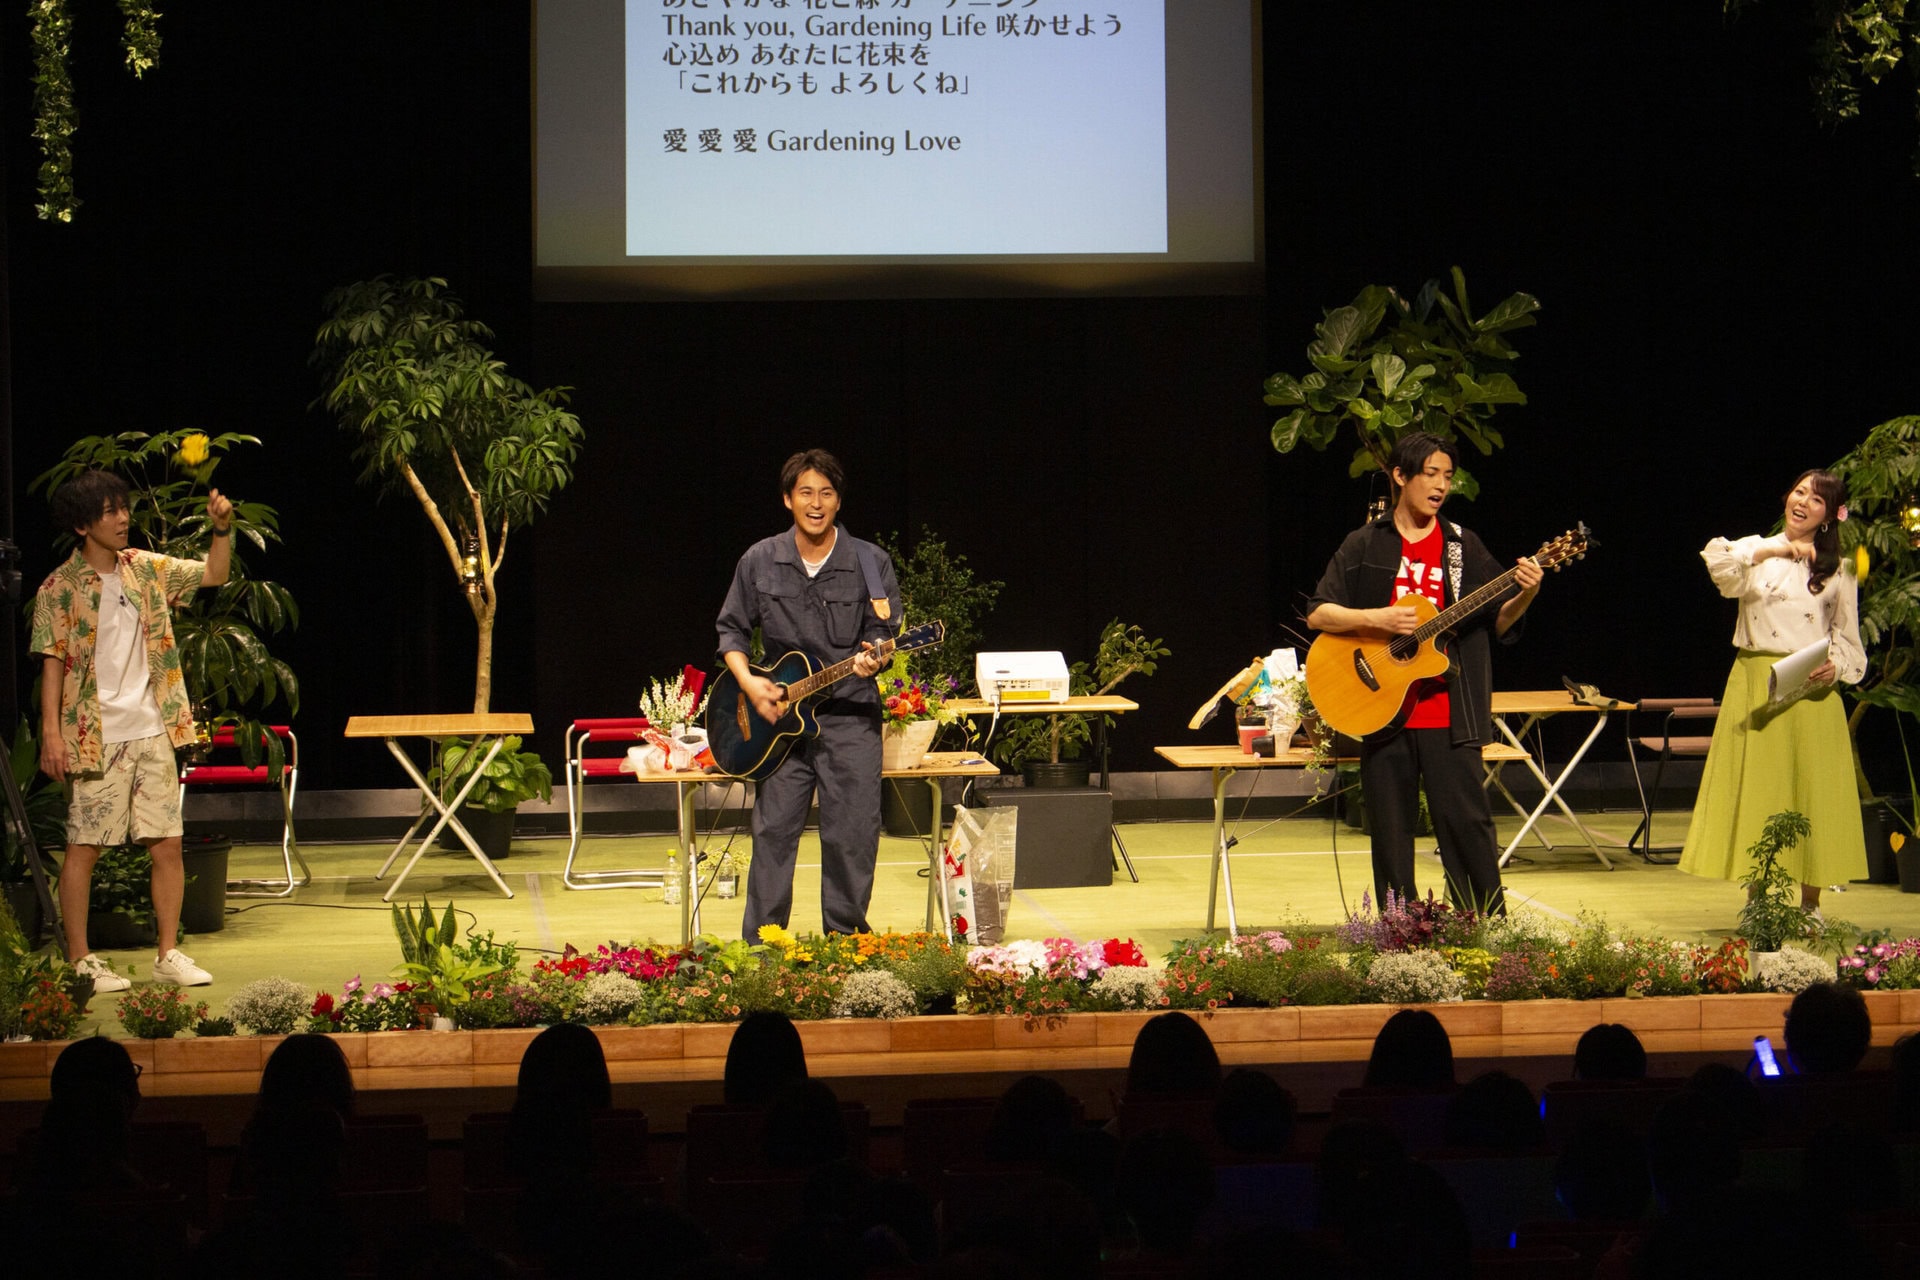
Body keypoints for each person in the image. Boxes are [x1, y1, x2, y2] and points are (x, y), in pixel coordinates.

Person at [1306, 432, 1542, 913]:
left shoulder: (1461, 546)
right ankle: (1400, 933)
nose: (1440, 486)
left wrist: (1527, 593)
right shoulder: (1364, 543)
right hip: (1382, 709)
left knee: (1467, 823)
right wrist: (1378, 618)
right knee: (1390, 833)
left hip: (1451, 712)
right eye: (1431, 474)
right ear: (1400, 476)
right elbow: (1319, 614)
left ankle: (1482, 927)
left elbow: (1496, 621)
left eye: (1448, 476)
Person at [32, 469, 232, 991]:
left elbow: (214, 574)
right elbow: (51, 665)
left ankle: (168, 953)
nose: (122, 518)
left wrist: (222, 529)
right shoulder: (57, 588)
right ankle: (80, 959)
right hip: (94, 734)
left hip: (153, 728)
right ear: (82, 525)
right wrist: (51, 734)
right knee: (85, 846)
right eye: (108, 511)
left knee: (167, 844)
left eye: (123, 507)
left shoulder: (145, 568)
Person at [716, 449, 900, 936]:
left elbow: (883, 636)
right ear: (787, 500)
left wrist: (874, 656)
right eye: (805, 493)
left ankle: (843, 944)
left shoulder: (870, 561)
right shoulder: (760, 558)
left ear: (838, 501)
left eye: (826, 493)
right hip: (781, 726)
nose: (816, 503)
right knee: (772, 834)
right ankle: (763, 947)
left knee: (851, 837)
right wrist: (749, 682)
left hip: (851, 719)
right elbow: (730, 632)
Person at [1679, 469, 1867, 907]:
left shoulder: (1838, 569)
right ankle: (1758, 899)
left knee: (1812, 792)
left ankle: (1811, 904)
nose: (1803, 501)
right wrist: (1779, 547)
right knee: (1759, 793)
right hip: (1756, 683)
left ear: (1828, 516)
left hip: (1811, 689)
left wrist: (1834, 669)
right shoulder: (1752, 550)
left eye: (1816, 499)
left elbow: (1848, 640)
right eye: (1799, 492)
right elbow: (1721, 568)